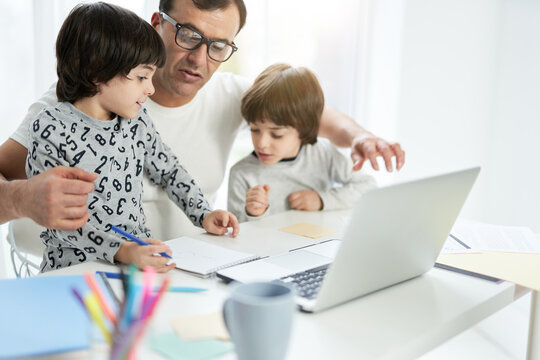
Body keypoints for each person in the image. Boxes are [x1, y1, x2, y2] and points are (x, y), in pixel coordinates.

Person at [0, 0, 405, 238]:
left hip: (180, 274)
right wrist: (20, 198)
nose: (200, 59)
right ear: (157, 24)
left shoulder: (228, 94)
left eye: (218, 45)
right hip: (80, 279)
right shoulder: (76, 102)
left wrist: (359, 137)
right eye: (189, 36)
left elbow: (305, 114)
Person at [26, 2, 239, 272]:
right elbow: (56, 218)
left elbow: (169, 171)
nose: (150, 89)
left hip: (135, 264)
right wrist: (122, 250)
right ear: (96, 71)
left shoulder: (135, 121)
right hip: (74, 273)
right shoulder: (51, 128)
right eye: (141, 77)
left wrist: (204, 214)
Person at [228, 64, 376, 222]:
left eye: (276, 134)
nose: (262, 143)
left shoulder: (322, 154)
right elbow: (236, 232)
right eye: (254, 130)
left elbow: (367, 186)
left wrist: (321, 200)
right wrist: (253, 213)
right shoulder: (241, 174)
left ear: (304, 128)